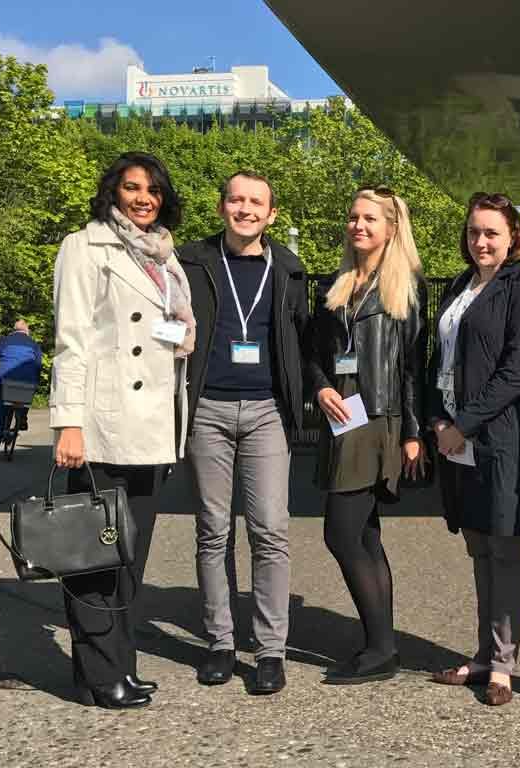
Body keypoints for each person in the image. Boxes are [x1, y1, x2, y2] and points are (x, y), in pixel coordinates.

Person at [50, 151, 195, 709]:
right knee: (94, 558)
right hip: (104, 425)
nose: (143, 198)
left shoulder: (163, 255)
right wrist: (68, 424)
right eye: (132, 188)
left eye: (153, 190)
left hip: (153, 428)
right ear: (112, 191)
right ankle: (98, 673)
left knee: (129, 557)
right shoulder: (85, 246)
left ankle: (118, 666)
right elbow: (72, 341)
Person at [178, 171, 309, 694]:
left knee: (270, 530)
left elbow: (304, 342)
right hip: (207, 408)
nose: (246, 209)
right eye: (237, 200)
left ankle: (270, 650)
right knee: (213, 530)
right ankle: (219, 643)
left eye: (256, 202)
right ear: (222, 207)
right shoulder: (190, 262)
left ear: (271, 214)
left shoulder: (291, 270)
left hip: (266, 413)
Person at [427, 192, 520, 706]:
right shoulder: (459, 285)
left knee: (505, 547)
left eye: (492, 232)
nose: (481, 241)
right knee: (478, 543)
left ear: (512, 236)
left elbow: (517, 373)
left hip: (503, 439)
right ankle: (483, 654)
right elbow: (439, 359)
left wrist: (464, 425)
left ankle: (503, 665)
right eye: (475, 231)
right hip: (455, 435)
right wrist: (437, 419)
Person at [307, 185, 427, 684]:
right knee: (363, 534)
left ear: (390, 228)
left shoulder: (403, 289)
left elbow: (415, 366)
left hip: (379, 418)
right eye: (354, 217)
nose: (359, 225)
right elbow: (314, 355)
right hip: (342, 414)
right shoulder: (337, 286)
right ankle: (382, 646)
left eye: (370, 219)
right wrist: (318, 389)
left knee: (341, 531)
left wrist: (414, 432)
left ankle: (380, 646)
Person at [0, 319, 42, 454]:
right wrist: (36, 380)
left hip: (5, 380)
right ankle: (22, 418)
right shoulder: (34, 344)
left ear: (14, 330)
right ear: (27, 331)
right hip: (26, 382)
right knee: (26, 399)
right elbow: (39, 365)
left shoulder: (5, 341)